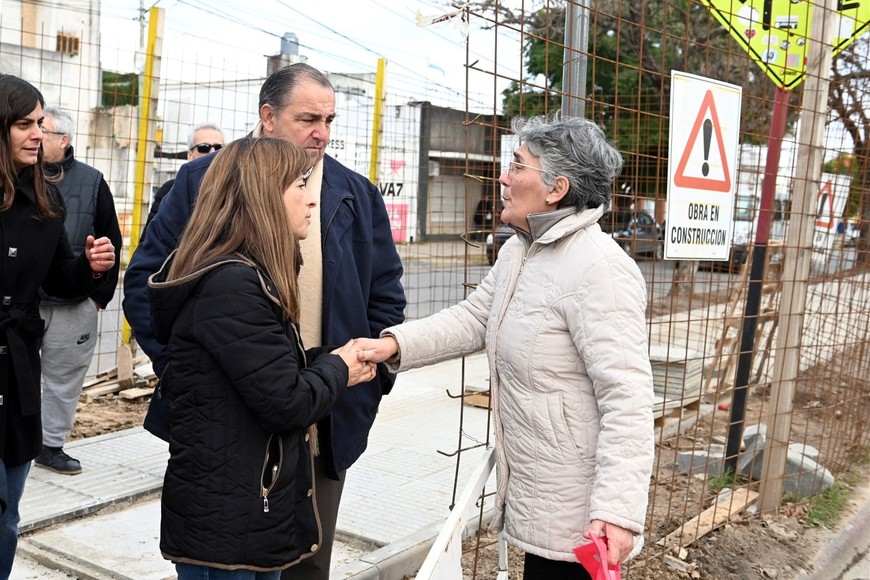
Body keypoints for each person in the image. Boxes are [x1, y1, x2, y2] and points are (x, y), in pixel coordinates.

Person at [123, 63, 406, 579]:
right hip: (233, 426)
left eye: (329, 119)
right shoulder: (202, 181)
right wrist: (194, 378)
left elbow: (385, 298)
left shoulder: (356, 193)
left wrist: (364, 381)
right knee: (234, 551)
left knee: (301, 560)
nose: (322, 132)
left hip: (323, 409)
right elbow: (149, 285)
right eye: (308, 118)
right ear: (268, 116)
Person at [356, 113, 655, 579]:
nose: (503, 177)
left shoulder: (600, 269)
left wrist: (617, 512)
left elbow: (628, 399)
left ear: (556, 188)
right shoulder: (521, 250)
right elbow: (474, 318)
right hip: (539, 488)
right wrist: (392, 344)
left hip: (581, 508)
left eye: (517, 165)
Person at [147, 137, 376, 579]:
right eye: (299, 185)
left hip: (240, 511)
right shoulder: (232, 284)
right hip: (228, 525)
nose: (312, 199)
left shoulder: (242, 273)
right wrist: (339, 366)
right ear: (263, 197)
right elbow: (286, 402)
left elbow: (261, 370)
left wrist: (328, 358)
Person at [0, 74, 116, 578]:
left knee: (8, 515)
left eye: (41, 124)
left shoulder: (46, 201)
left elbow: (60, 280)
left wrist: (91, 268)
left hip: (17, 374)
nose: (37, 135)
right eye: (24, 124)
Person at [34, 106, 122, 476]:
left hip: (74, 304)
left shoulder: (92, 181)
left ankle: (50, 446)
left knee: (63, 379)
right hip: (24, 302)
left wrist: (97, 296)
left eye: (44, 132)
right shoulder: (18, 175)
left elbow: (110, 242)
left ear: (64, 140)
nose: (36, 138)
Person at [145, 123, 224, 232]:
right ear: (190, 155)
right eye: (203, 148)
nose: (212, 153)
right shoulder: (170, 190)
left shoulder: (235, 191)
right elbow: (152, 240)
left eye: (219, 148)